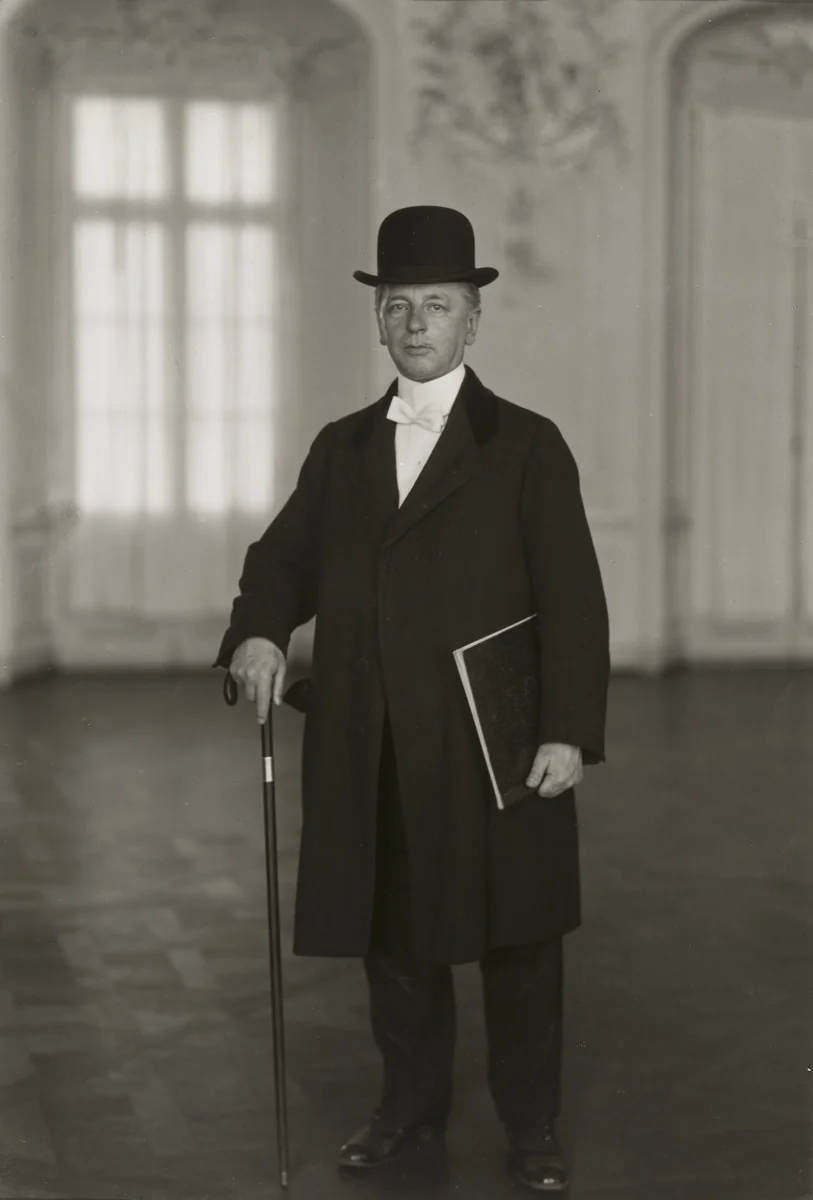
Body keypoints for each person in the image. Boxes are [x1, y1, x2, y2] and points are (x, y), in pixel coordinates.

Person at [214, 206, 610, 1193]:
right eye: (398, 306)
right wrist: (260, 631)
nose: (416, 323)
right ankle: (408, 1108)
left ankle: (531, 1127)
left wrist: (567, 730)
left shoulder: (526, 444)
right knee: (394, 942)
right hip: (373, 736)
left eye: (437, 305)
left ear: (473, 319)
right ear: (378, 321)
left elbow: (573, 599)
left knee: (518, 942)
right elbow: (282, 558)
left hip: (493, 739)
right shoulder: (342, 447)